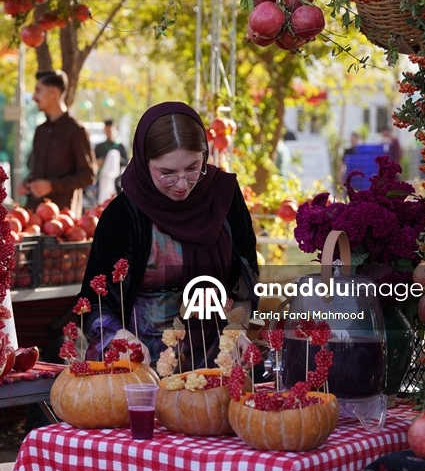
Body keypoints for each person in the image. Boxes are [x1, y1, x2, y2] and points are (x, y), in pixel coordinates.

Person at [79, 102, 258, 369]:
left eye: (193, 167)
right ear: (143, 160)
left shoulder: (224, 197)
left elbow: (246, 279)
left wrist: (238, 329)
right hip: (144, 373)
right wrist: (117, 336)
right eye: (167, 173)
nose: (183, 183)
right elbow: (92, 305)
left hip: (219, 371)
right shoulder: (124, 215)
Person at [19, 70, 96, 218]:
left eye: (38, 90)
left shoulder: (76, 130)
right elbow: (36, 170)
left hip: (62, 220)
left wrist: (52, 186)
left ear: (53, 92)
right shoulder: (40, 131)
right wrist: (27, 183)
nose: (34, 97)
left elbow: (88, 175)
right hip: (33, 215)